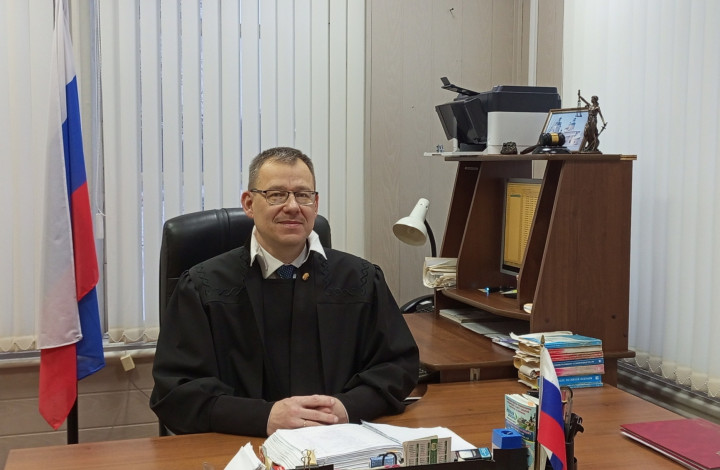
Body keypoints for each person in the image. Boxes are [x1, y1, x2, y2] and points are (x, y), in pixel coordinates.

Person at [150, 147, 419, 437]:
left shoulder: (360, 279)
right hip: (238, 445)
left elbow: (398, 367)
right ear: (249, 203)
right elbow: (176, 393)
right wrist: (263, 417)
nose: (292, 206)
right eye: (276, 194)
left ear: (315, 204)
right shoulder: (203, 287)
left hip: (340, 442)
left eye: (303, 195)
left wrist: (346, 407)